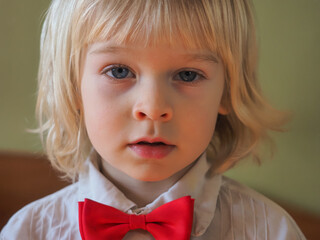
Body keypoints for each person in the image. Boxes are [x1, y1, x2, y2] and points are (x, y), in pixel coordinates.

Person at [1, 0, 306, 239]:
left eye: (188, 75)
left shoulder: (271, 231)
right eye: (119, 71)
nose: (153, 107)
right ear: (73, 85)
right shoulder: (29, 231)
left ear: (227, 92)